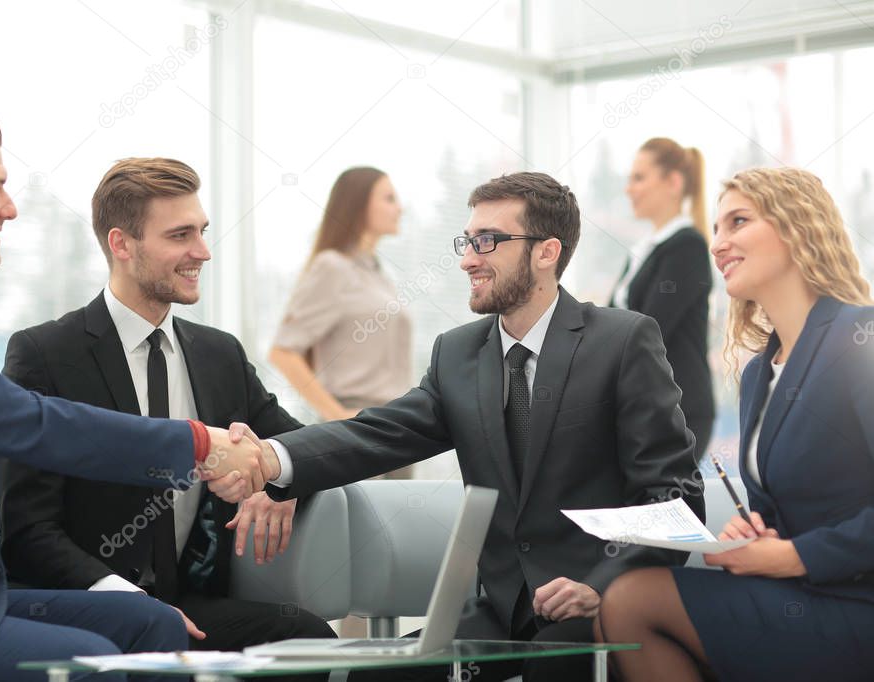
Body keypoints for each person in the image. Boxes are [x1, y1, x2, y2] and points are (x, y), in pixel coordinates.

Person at [214, 171, 704, 681]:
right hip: (498, 615)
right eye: (467, 241)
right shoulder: (457, 353)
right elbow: (375, 433)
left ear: (546, 252)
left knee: (553, 670)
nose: (468, 258)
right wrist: (272, 458)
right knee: (373, 677)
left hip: (594, 610)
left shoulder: (622, 341)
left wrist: (603, 585)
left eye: (487, 241)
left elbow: (673, 497)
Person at [0, 101, 264, 682]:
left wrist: (278, 473)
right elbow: (32, 424)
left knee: (154, 630)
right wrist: (199, 444)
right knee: (94, 668)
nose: (10, 209)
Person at [0, 157, 336, 669]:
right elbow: (27, 531)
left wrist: (280, 481)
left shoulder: (217, 354)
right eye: (180, 235)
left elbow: (306, 446)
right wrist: (125, 601)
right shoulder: (46, 354)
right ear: (121, 244)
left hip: (192, 606)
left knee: (310, 639)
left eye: (201, 231)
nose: (202, 251)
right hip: (92, 608)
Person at [596, 167, 874, 682]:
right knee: (620, 605)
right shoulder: (756, 374)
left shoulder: (862, 337)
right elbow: (793, 510)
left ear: (797, 227)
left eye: (738, 222)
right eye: (717, 229)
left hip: (855, 602)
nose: (718, 244)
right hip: (802, 596)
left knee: (633, 603)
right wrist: (754, 533)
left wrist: (791, 556)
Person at [268, 167, 412, 437]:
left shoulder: (380, 275)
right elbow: (283, 352)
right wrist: (338, 416)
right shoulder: (332, 267)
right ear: (359, 204)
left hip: (401, 426)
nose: (400, 209)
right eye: (389, 198)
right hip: (359, 428)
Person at [611, 137, 715, 462]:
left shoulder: (686, 247)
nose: (629, 189)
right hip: (642, 409)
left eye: (639, 178)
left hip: (677, 410)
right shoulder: (645, 250)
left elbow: (649, 329)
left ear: (673, 182)